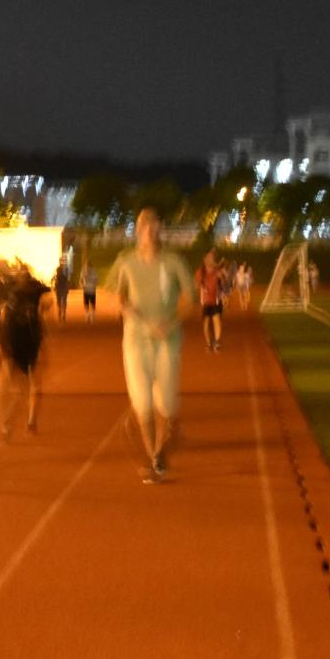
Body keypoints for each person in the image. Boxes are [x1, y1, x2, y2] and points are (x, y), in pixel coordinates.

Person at [109, 206, 194, 483]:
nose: (148, 231)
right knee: (142, 402)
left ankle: (163, 443)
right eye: (143, 226)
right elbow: (116, 296)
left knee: (166, 404)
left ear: (160, 230)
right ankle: (154, 456)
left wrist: (170, 322)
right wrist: (124, 307)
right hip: (136, 341)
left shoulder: (174, 261)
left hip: (168, 341)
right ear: (137, 230)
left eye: (153, 226)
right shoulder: (125, 262)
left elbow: (189, 299)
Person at [0, 262, 48, 440]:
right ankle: (8, 425)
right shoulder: (7, 291)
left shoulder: (35, 290)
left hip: (30, 344)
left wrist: (43, 345)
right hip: (11, 343)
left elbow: (44, 307)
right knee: (5, 390)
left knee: (30, 386)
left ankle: (26, 423)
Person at [195, 250, 226, 352]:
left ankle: (216, 342)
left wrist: (222, 277)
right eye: (209, 258)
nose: (211, 259)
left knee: (216, 320)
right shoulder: (201, 272)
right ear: (205, 260)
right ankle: (209, 343)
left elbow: (223, 284)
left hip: (216, 300)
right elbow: (197, 284)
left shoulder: (217, 271)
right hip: (205, 301)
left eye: (212, 258)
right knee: (206, 324)